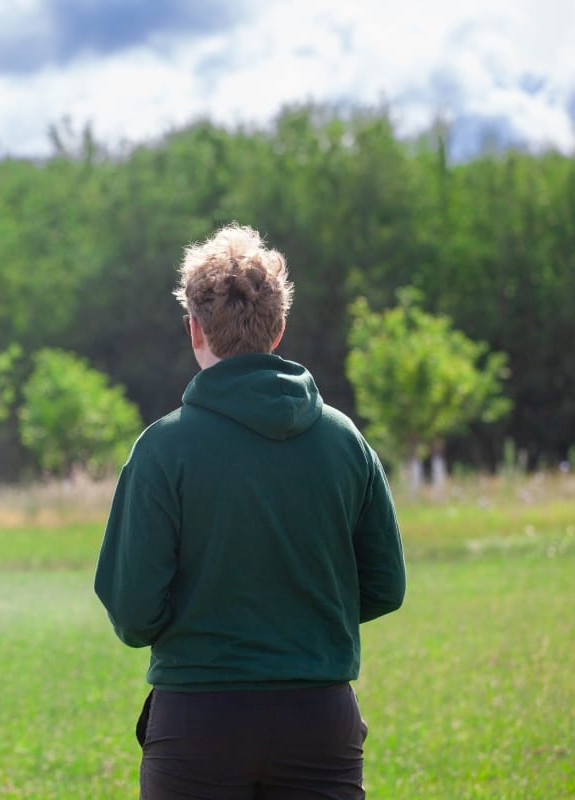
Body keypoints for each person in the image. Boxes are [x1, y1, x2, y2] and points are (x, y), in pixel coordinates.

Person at [94, 223, 406, 799]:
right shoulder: (345, 441)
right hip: (321, 719)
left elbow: (134, 613)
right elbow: (385, 585)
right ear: (280, 327)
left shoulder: (163, 448)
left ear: (194, 328)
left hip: (197, 723)